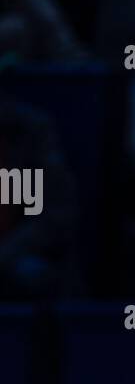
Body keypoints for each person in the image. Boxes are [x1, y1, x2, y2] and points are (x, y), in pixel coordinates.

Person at [0, 97, 82, 295]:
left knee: (33, 274)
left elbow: (57, 214)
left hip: (15, 257)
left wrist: (5, 254)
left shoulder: (29, 131)